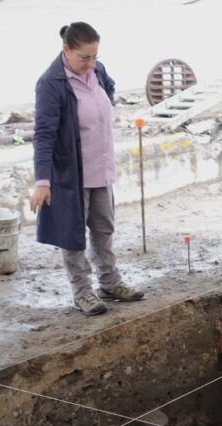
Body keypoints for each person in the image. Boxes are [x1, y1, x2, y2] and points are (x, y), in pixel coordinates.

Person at [30, 22, 144, 316]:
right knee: (73, 234)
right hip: (71, 174)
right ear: (66, 50)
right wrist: (42, 180)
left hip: (101, 169)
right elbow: (43, 135)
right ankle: (83, 292)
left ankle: (110, 283)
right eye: (84, 57)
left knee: (104, 228)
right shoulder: (51, 84)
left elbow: (109, 89)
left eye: (94, 56)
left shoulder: (98, 71)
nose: (90, 63)